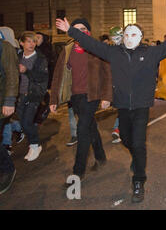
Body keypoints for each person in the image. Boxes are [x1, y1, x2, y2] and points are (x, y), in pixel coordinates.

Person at [56, 16, 166, 203]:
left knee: (139, 142)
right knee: (127, 139)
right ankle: (137, 157)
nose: (129, 37)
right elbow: (91, 44)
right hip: (124, 106)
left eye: (134, 34)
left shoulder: (151, 52)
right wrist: (71, 30)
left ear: (140, 36)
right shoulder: (113, 53)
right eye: (126, 34)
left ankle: (138, 181)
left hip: (142, 106)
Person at [50, 18, 112, 183]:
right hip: (74, 97)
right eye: (75, 28)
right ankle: (100, 157)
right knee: (90, 127)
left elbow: (107, 74)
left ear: (89, 31)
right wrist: (53, 98)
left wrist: (106, 97)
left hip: (91, 96)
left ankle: (77, 172)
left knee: (82, 130)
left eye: (83, 28)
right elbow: (58, 75)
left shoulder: (97, 49)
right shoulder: (68, 49)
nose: (79, 31)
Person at [16, 32, 49, 161]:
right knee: (22, 123)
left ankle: (35, 145)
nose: (31, 44)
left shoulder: (40, 58)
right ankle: (32, 144)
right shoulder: (18, 56)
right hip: (20, 95)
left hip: (34, 95)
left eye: (34, 41)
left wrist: (27, 71)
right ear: (21, 43)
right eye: (28, 41)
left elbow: (43, 77)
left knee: (27, 122)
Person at [0, 31, 19, 194]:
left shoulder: (4, 47)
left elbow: (12, 74)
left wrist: (9, 100)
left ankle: (7, 168)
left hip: (2, 102)